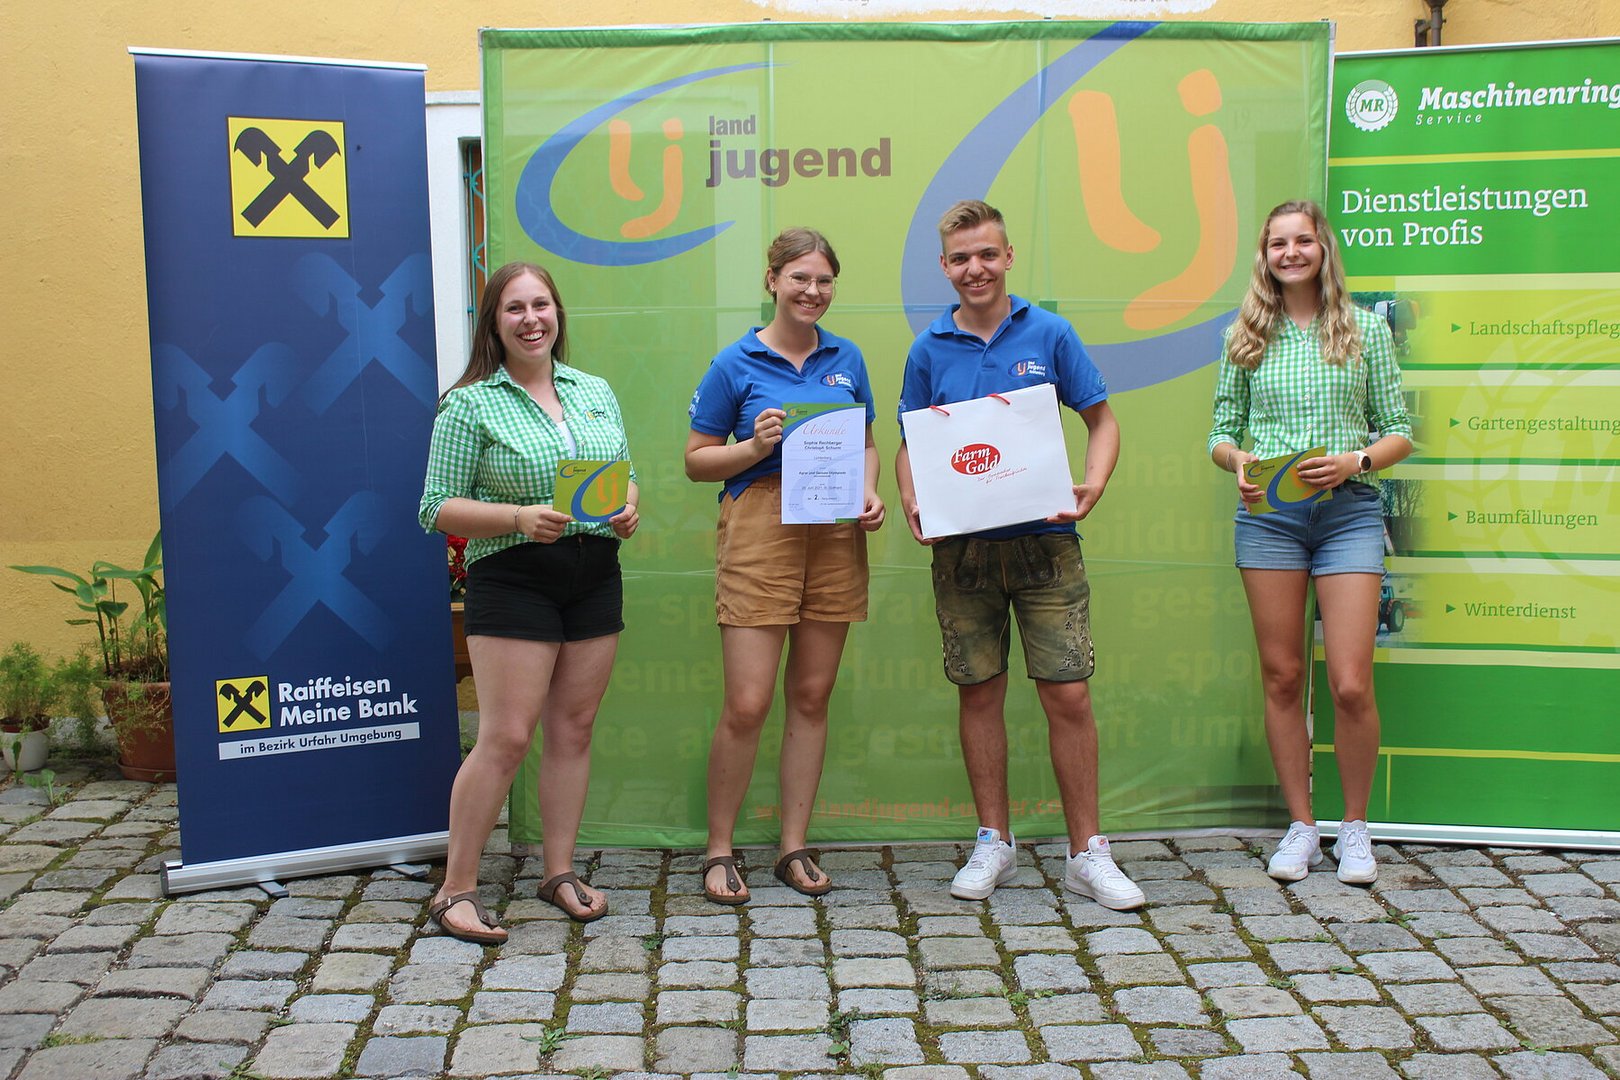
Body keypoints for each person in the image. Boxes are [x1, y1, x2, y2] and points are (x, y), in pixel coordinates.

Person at [895, 199, 1143, 911]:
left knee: (1068, 693)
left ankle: (1087, 852)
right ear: (945, 267)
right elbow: (911, 445)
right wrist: (911, 497)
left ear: (1008, 256)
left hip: (1047, 545)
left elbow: (1102, 420)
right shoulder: (928, 349)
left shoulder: (1050, 333)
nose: (975, 268)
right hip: (963, 551)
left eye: (987, 254)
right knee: (979, 692)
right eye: (961, 258)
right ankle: (993, 841)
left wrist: (1093, 483)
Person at [419, 261, 640, 943]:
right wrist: (518, 517)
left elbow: (624, 477)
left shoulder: (593, 390)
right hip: (514, 576)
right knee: (508, 736)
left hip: (594, 572)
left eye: (541, 305)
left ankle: (559, 872)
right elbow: (435, 506)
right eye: (514, 308)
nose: (531, 319)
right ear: (494, 323)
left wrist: (627, 508)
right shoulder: (470, 404)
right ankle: (456, 890)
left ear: (557, 313)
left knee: (573, 729)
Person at [1207, 199, 1413, 885]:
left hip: (1348, 513)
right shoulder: (1245, 335)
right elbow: (1220, 432)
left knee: (1350, 683)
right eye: (1278, 243)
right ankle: (1301, 826)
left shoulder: (1364, 329)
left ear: (1322, 248)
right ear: (1264, 255)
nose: (1290, 253)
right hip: (1270, 517)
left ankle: (1354, 827)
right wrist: (1237, 462)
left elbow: (1400, 430)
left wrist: (1357, 460)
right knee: (1283, 676)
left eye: (1302, 241)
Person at [685, 228, 884, 904]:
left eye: (824, 280)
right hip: (760, 523)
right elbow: (695, 460)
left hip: (832, 530)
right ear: (772, 280)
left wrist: (868, 491)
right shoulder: (734, 362)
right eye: (800, 277)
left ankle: (792, 846)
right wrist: (751, 446)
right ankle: (719, 849)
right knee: (748, 702)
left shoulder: (847, 358)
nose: (812, 291)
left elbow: (866, 443)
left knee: (812, 695)